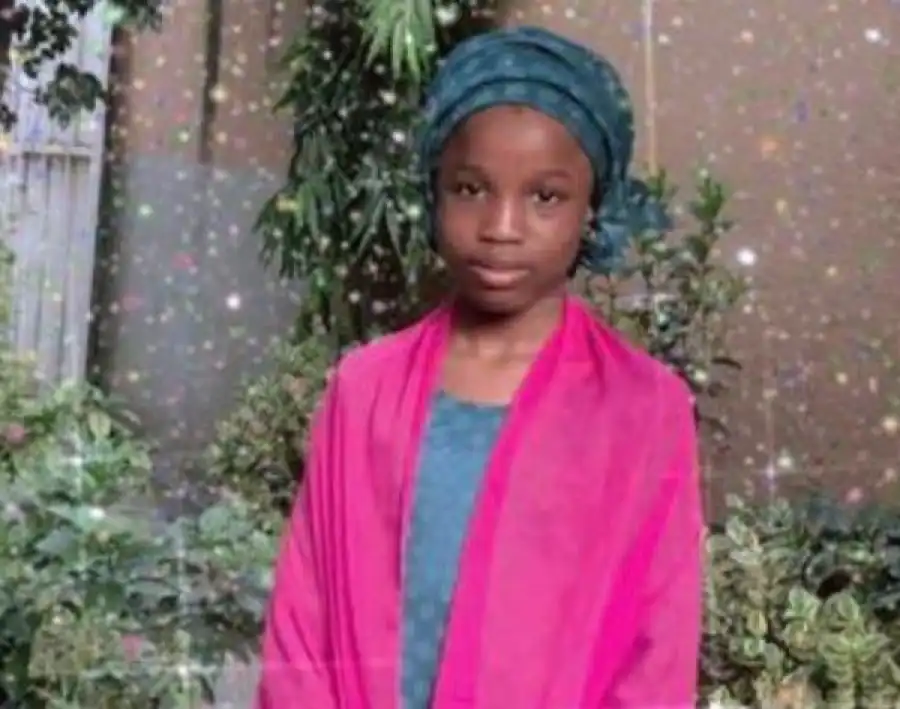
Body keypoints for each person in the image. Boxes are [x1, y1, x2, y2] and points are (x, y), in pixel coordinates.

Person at [254, 25, 703, 709]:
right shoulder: (364, 390)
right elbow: (302, 626)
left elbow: (658, 646)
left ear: (593, 208)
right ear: (433, 190)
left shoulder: (642, 407)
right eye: (470, 188)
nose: (501, 226)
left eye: (545, 197)